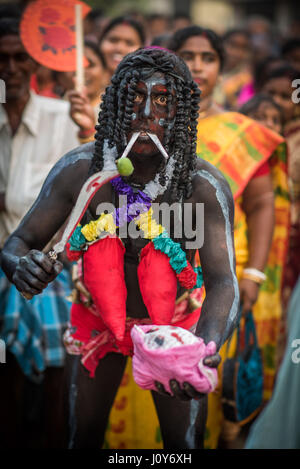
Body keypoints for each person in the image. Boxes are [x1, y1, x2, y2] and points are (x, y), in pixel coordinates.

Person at [1, 47, 239, 450]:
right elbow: (18, 243)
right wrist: (21, 265)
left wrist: (206, 345)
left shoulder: (202, 186)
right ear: (114, 104)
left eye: (162, 99)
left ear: (180, 111)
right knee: (81, 438)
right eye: (134, 97)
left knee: (184, 446)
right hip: (96, 319)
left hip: (175, 327)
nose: (146, 111)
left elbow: (223, 283)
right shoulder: (81, 171)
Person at [169, 25, 290, 448]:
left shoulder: (242, 131)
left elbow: (261, 205)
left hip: (222, 272)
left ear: (222, 67)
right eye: (188, 55)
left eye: (208, 57)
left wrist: (254, 275)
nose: (198, 65)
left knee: (210, 372)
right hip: (155, 272)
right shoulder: (148, 124)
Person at [0, 15, 79, 448]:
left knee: (57, 351)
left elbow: (82, 199)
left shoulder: (63, 118)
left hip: (49, 264)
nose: (9, 68)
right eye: (1, 58)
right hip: (5, 262)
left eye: (18, 58)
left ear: (34, 64)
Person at [213, 29, 253, 110]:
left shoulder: (246, 79)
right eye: (232, 45)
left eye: (243, 48)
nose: (236, 52)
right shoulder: (211, 71)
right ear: (222, 44)